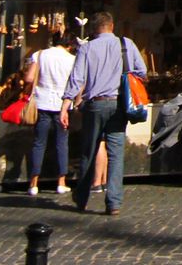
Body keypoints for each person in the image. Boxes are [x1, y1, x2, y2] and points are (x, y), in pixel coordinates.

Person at [62, 11, 145, 217]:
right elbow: (141, 71)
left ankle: (81, 198)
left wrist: (65, 105)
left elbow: (77, 78)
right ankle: (114, 202)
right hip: (119, 104)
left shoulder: (87, 48)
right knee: (116, 154)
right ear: (112, 25)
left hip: (95, 105)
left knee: (89, 151)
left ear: (93, 29)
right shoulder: (126, 44)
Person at [23, 31, 75, 196]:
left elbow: (30, 78)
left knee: (39, 143)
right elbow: (77, 82)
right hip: (63, 105)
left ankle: (34, 183)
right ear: (69, 44)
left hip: (42, 102)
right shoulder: (71, 59)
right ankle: (61, 182)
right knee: (62, 143)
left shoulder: (40, 55)